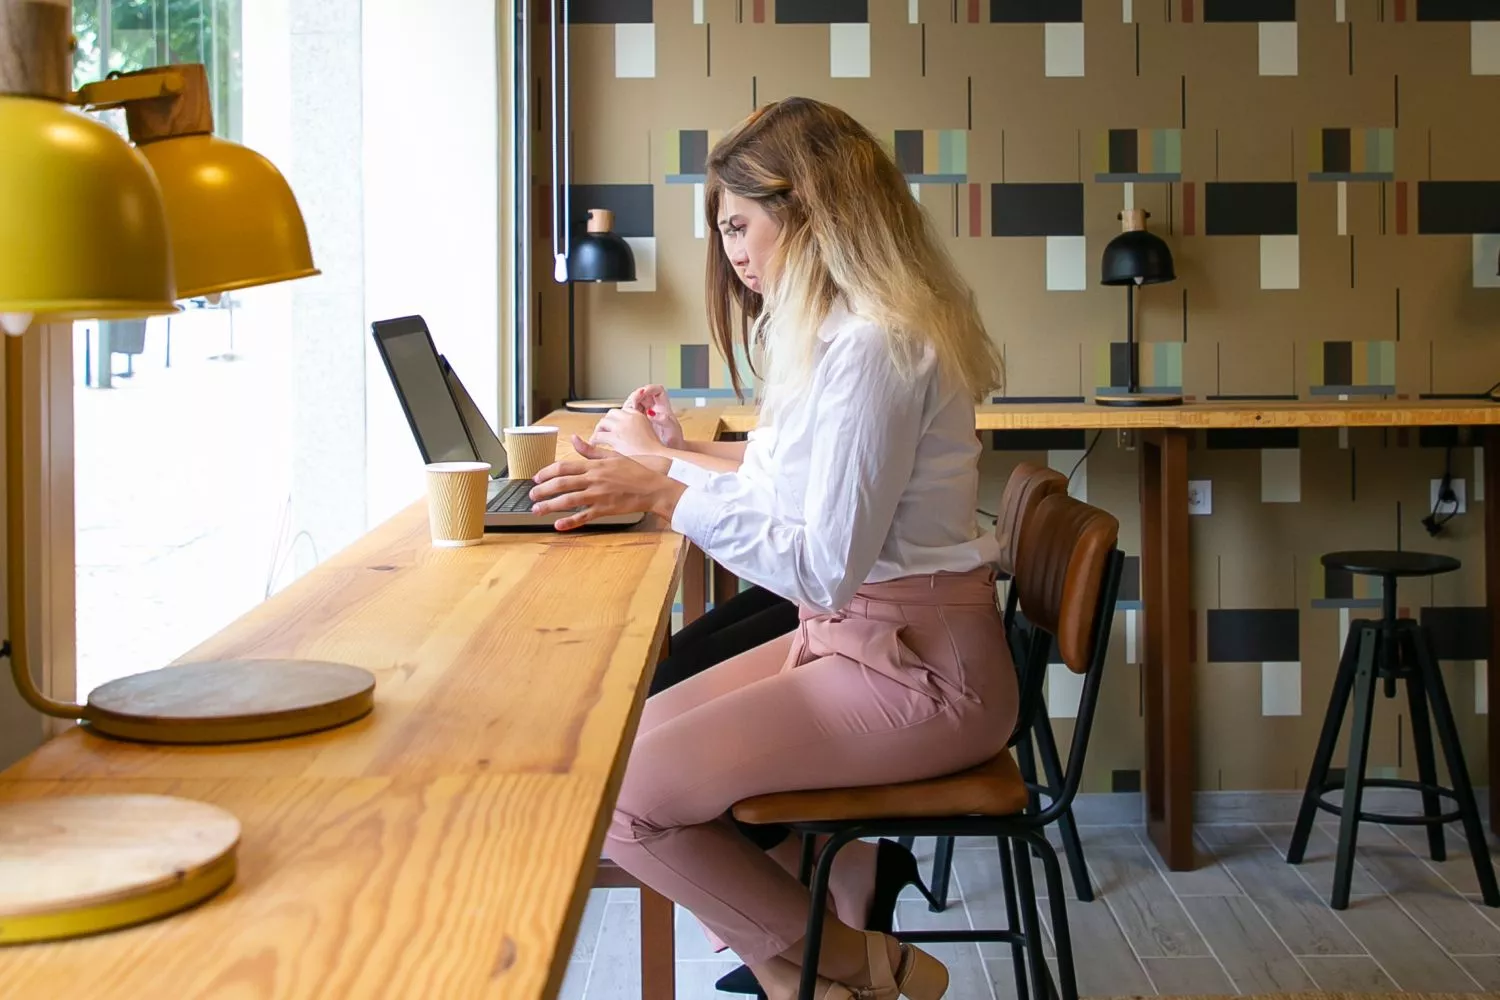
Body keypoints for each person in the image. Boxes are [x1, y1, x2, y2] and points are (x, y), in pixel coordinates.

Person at [529, 96, 1016, 1000]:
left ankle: (852, 967)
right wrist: (670, 456)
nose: (732, 253)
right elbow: (785, 484)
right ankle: (821, 944)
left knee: (619, 798)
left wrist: (664, 489)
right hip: (857, 639)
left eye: (740, 225)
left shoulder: (876, 345)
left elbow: (822, 560)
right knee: (617, 763)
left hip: (922, 672)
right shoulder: (836, 333)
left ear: (811, 209)